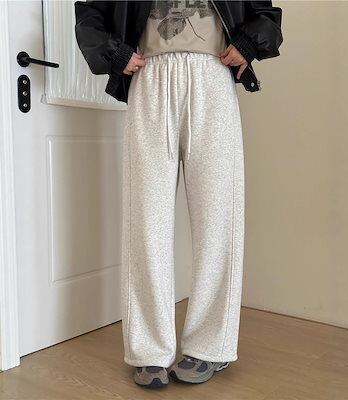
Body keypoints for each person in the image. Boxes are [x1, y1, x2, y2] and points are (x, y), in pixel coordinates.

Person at [75, 0, 283, 389]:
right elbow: (90, 14)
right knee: (146, 219)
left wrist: (248, 44)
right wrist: (114, 53)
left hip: (212, 74)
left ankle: (211, 346)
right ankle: (148, 351)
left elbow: (266, 16)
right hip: (149, 75)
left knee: (218, 217)